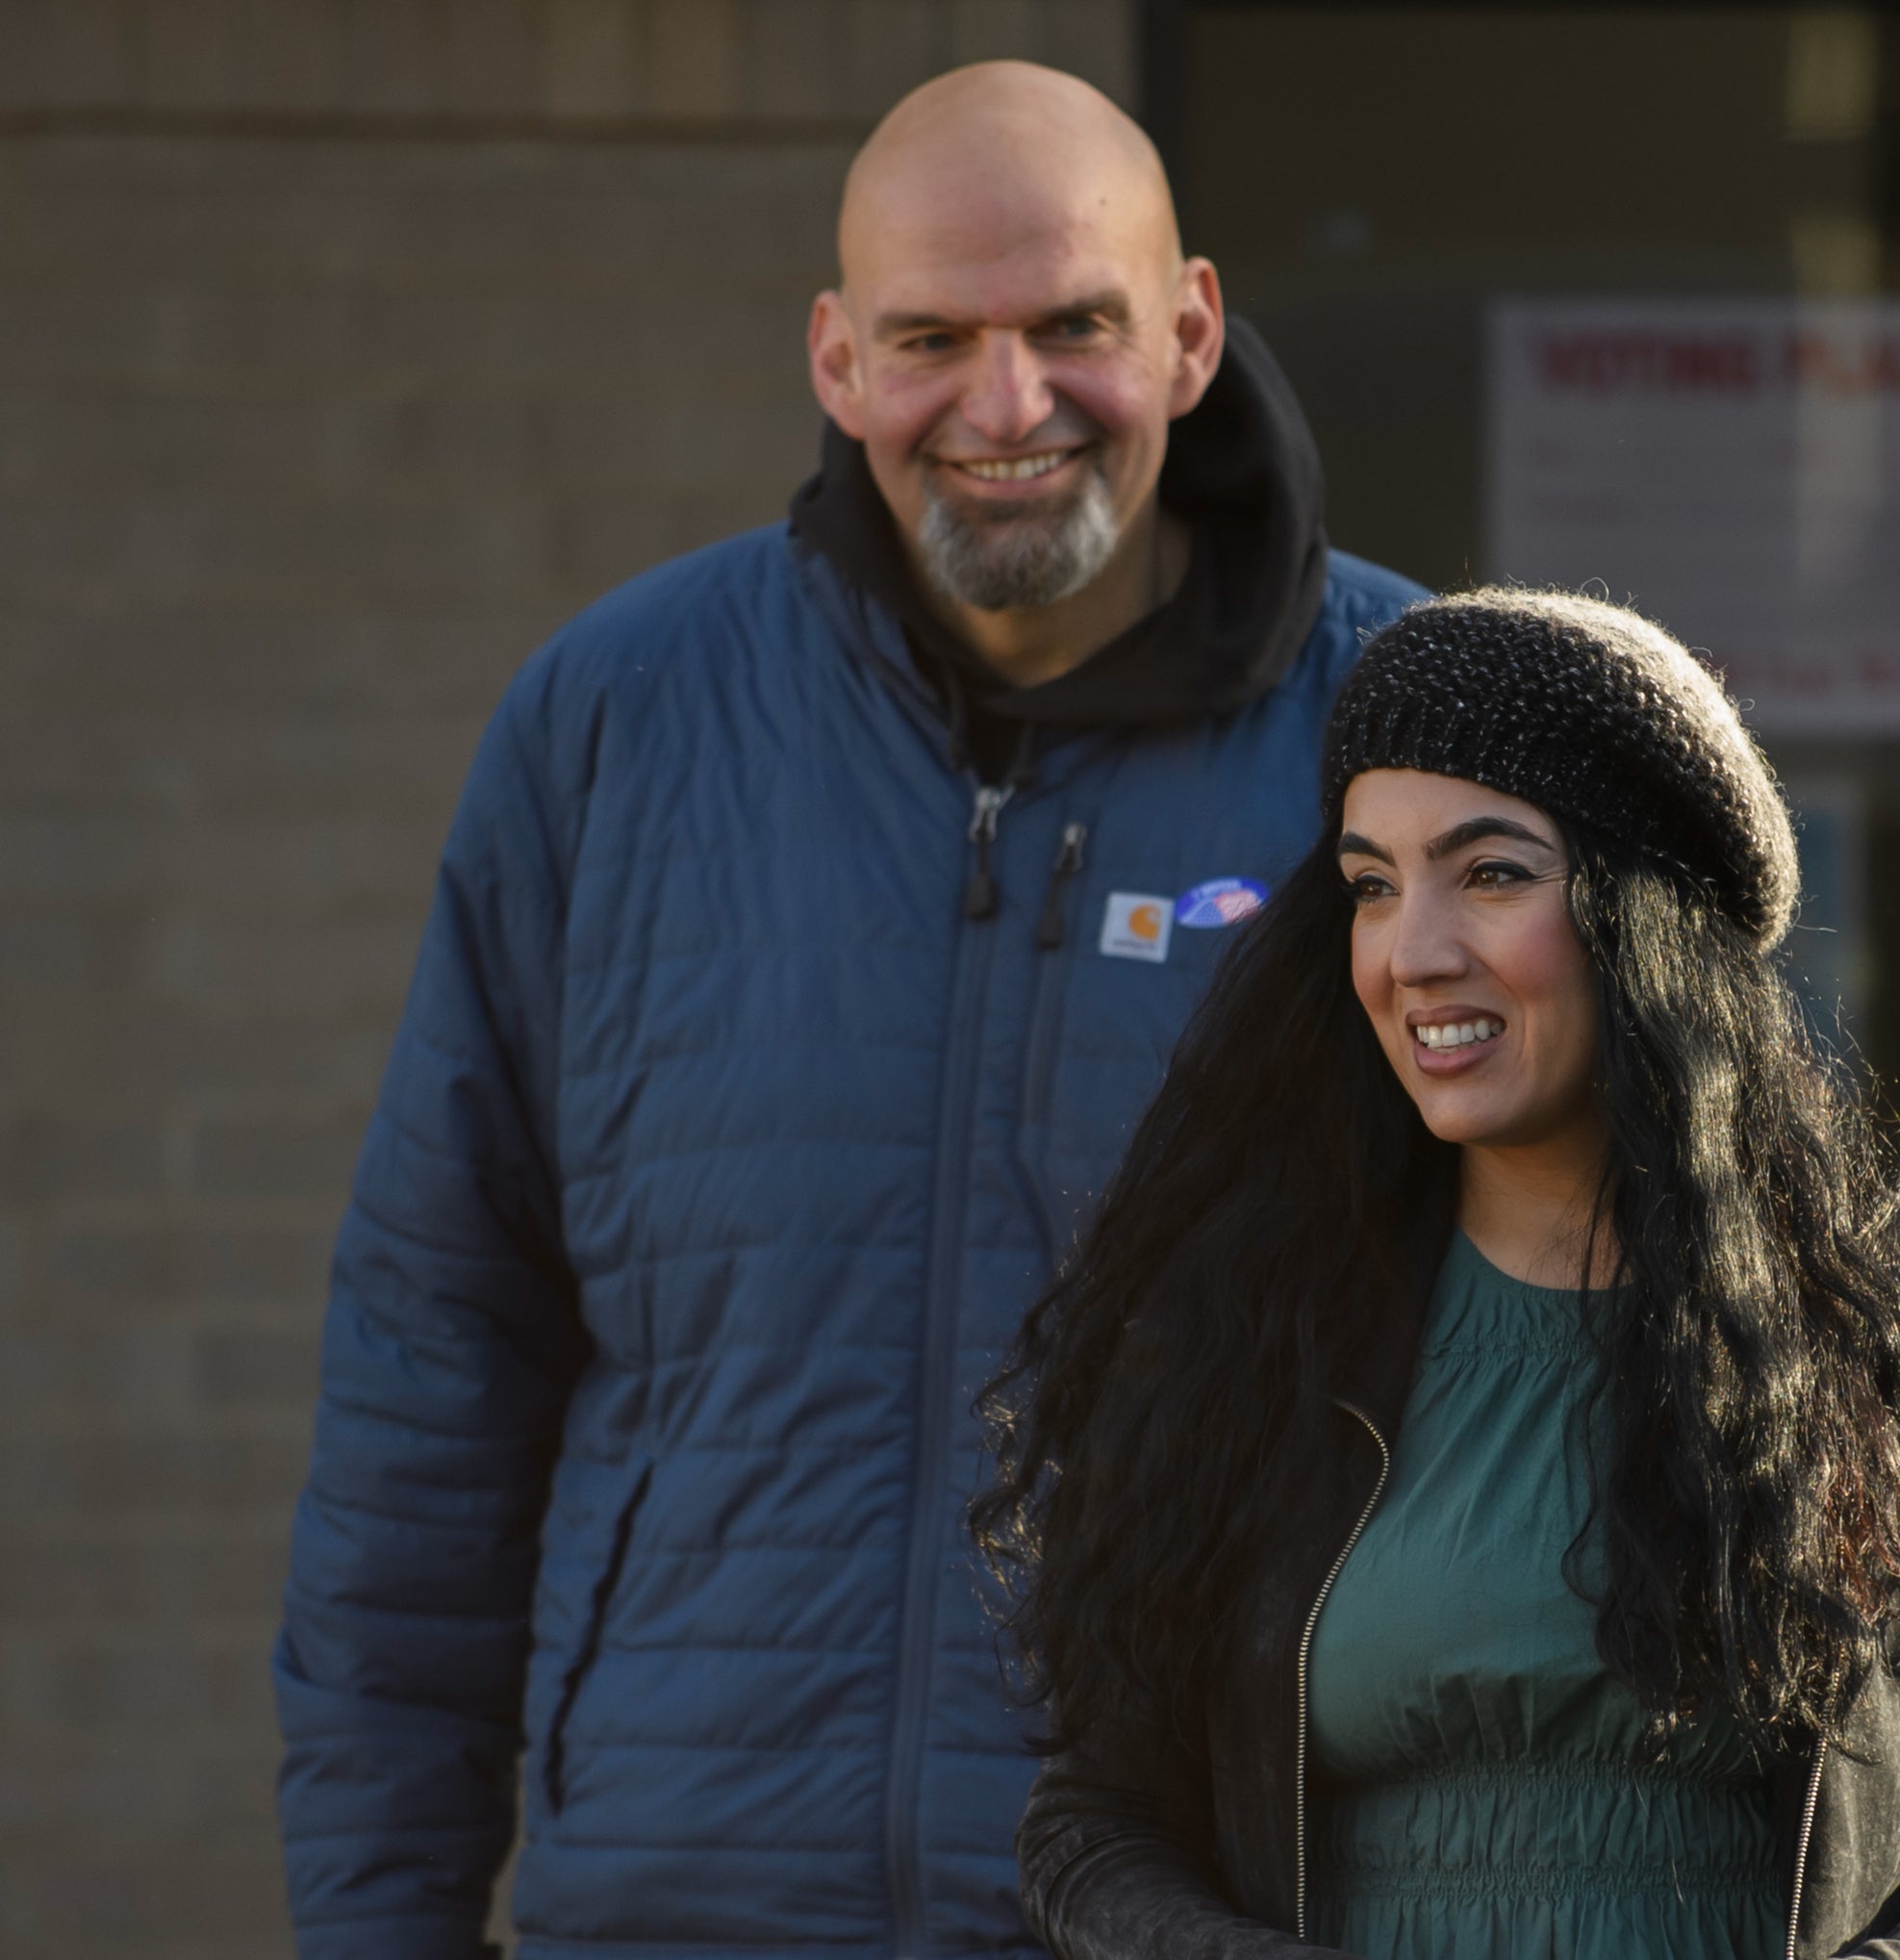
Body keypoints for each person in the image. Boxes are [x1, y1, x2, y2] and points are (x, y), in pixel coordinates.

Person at [271, 61, 1420, 1960]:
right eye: (930, 339)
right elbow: (434, 1359)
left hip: (1202, 1910)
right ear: (834, 359)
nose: (1005, 405)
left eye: (1075, 326)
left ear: (1195, 330)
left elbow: (1576, 1352)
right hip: (679, 1897)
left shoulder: (1406, 740)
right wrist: (379, 1918)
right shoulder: (618, 724)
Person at [976, 590, 1900, 1959]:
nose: (1412, 952)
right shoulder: (1254, 1321)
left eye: (1490, 874)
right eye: (1371, 884)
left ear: (1649, 921)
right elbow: (1092, 1824)